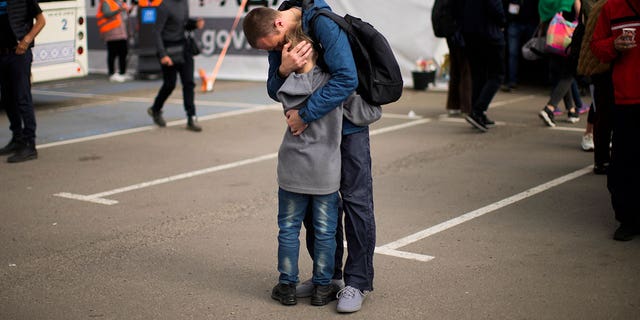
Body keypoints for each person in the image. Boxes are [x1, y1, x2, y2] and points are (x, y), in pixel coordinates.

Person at [243, 0, 377, 313]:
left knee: (356, 202)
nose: (275, 50)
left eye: (274, 47)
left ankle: (357, 282)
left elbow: (347, 79)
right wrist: (282, 69)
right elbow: (274, 89)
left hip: (348, 128)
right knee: (317, 207)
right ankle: (327, 278)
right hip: (313, 136)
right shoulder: (273, 30)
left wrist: (305, 113)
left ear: (279, 25)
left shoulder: (323, 24)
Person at [591, 0, 640, 241]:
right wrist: (614, 45)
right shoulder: (612, 7)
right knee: (624, 163)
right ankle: (628, 219)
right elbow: (596, 47)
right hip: (627, 97)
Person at [147, 0, 204, 132]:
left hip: (184, 49)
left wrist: (194, 24)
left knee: (189, 83)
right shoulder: (164, 6)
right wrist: (163, 55)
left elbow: (183, 24)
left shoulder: (184, 3)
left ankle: (191, 117)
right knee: (169, 84)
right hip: (169, 50)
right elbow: (156, 32)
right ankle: (155, 109)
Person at [0, 0, 45, 163]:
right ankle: (17, 139)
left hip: (18, 54)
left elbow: (41, 20)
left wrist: (27, 39)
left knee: (23, 99)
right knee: (7, 99)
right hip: (2, 54)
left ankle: (29, 144)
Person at [457, 0, 507, 132]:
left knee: (478, 75)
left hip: (471, 33)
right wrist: (503, 21)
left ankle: (476, 112)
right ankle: (478, 111)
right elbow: (494, 7)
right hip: (490, 34)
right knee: (497, 75)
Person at [537, 0, 582, 127]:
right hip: (567, 36)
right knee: (569, 74)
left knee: (563, 73)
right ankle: (549, 108)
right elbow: (579, 12)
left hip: (552, 34)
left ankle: (571, 111)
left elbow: (542, 11)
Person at [503, 0, 540, 92]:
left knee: (534, 51)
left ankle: (534, 79)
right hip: (515, 23)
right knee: (513, 53)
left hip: (531, 21)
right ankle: (512, 81)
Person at [96, 0, 132, 83]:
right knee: (112, 53)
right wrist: (119, 9)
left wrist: (130, 8)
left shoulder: (119, 2)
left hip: (121, 32)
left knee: (123, 53)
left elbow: (124, 14)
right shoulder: (106, 2)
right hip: (111, 32)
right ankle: (112, 73)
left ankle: (122, 73)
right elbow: (107, 14)